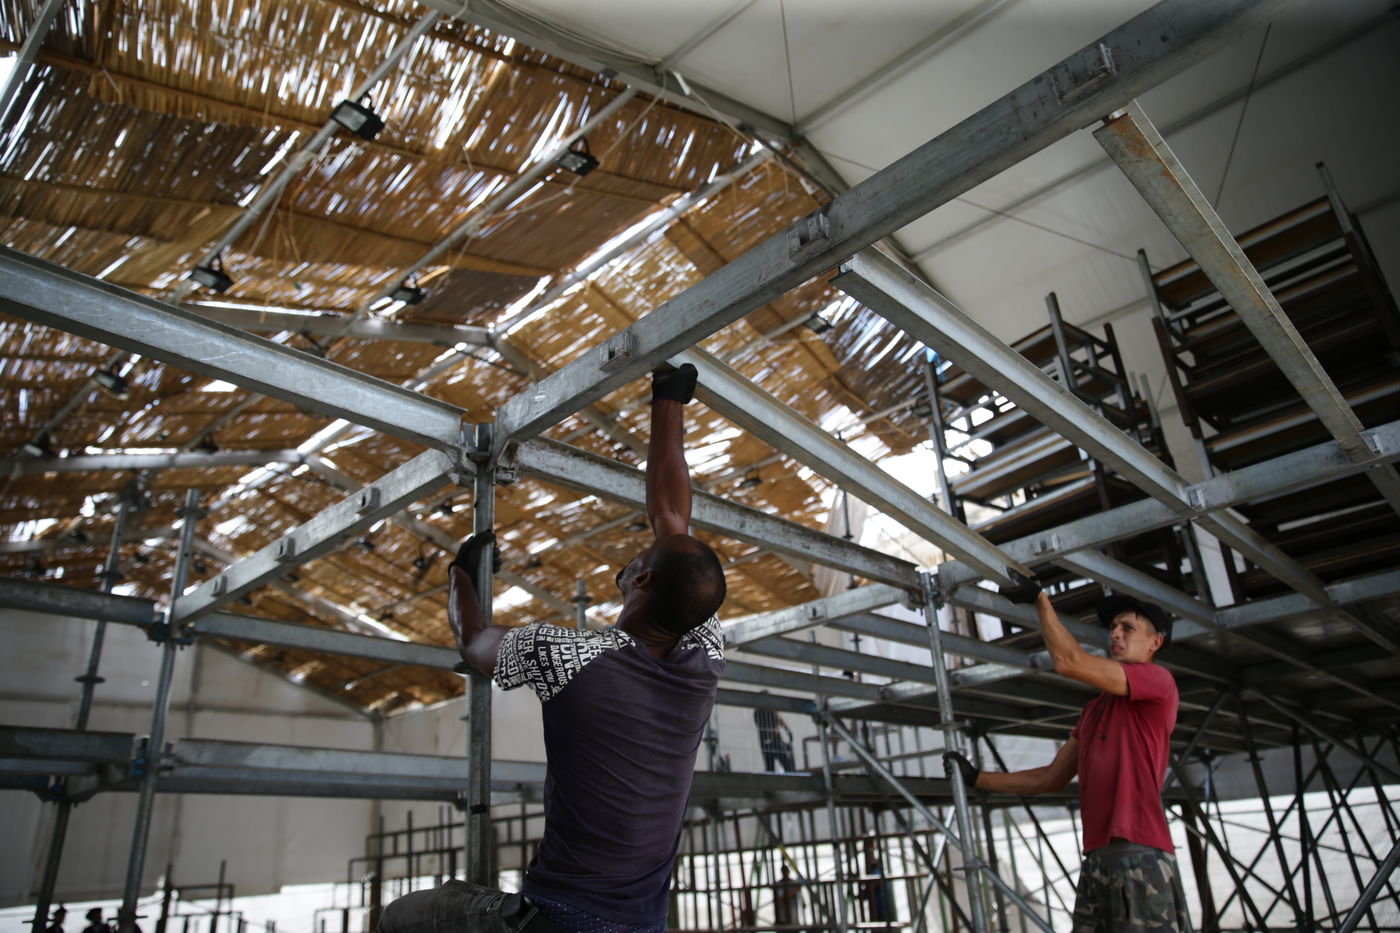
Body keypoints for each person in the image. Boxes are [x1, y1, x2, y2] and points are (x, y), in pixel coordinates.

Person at [378, 363, 727, 933]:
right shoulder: (704, 652)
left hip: (562, 917)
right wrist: (669, 402)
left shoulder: (569, 658)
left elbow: (473, 641)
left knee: (403, 917)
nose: (635, 555)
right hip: (643, 922)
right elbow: (672, 516)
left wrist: (462, 572)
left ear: (642, 580)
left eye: (639, 559)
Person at [944, 573, 1189, 932]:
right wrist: (977, 778)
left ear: (1155, 641)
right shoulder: (1095, 710)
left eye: (1127, 628)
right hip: (1096, 859)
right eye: (1113, 628)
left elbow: (1069, 662)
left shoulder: (1158, 681)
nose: (1115, 634)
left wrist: (1041, 600)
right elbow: (1051, 777)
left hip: (1139, 854)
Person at [753, 696, 796, 772]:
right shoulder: (771, 709)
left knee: (770, 768)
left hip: (764, 743)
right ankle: (790, 776)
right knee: (787, 764)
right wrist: (787, 730)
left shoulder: (756, 712)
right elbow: (779, 720)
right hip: (775, 741)